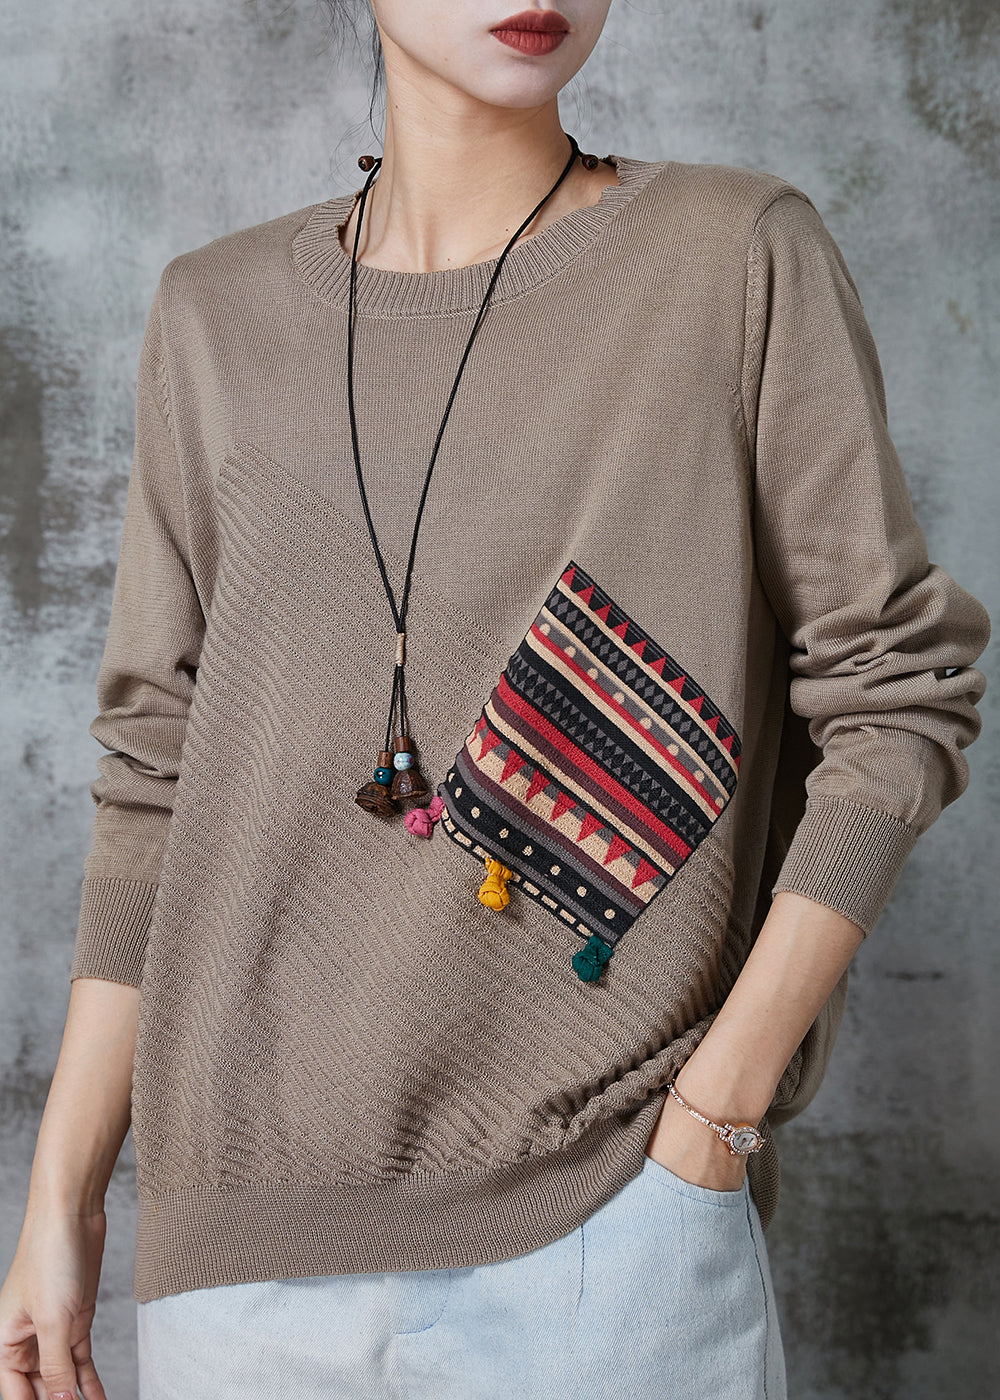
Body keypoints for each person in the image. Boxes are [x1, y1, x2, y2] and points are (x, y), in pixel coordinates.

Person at [0, 2, 990, 1398]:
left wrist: (715, 1113)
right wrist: (63, 1198)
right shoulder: (214, 315)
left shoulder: (731, 254)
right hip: (244, 1269)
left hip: (610, 1240)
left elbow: (896, 693)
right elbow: (156, 777)